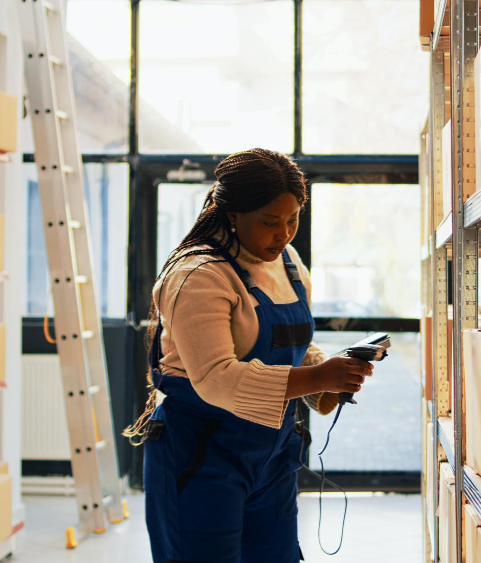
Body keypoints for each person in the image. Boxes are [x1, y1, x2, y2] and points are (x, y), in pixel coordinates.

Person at [125, 148, 374, 563]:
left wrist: (327, 377)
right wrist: (317, 379)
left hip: (271, 451)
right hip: (200, 453)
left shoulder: (288, 264)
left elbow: (290, 346)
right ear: (232, 214)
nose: (284, 235)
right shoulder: (198, 275)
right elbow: (216, 377)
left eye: (293, 220)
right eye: (270, 222)